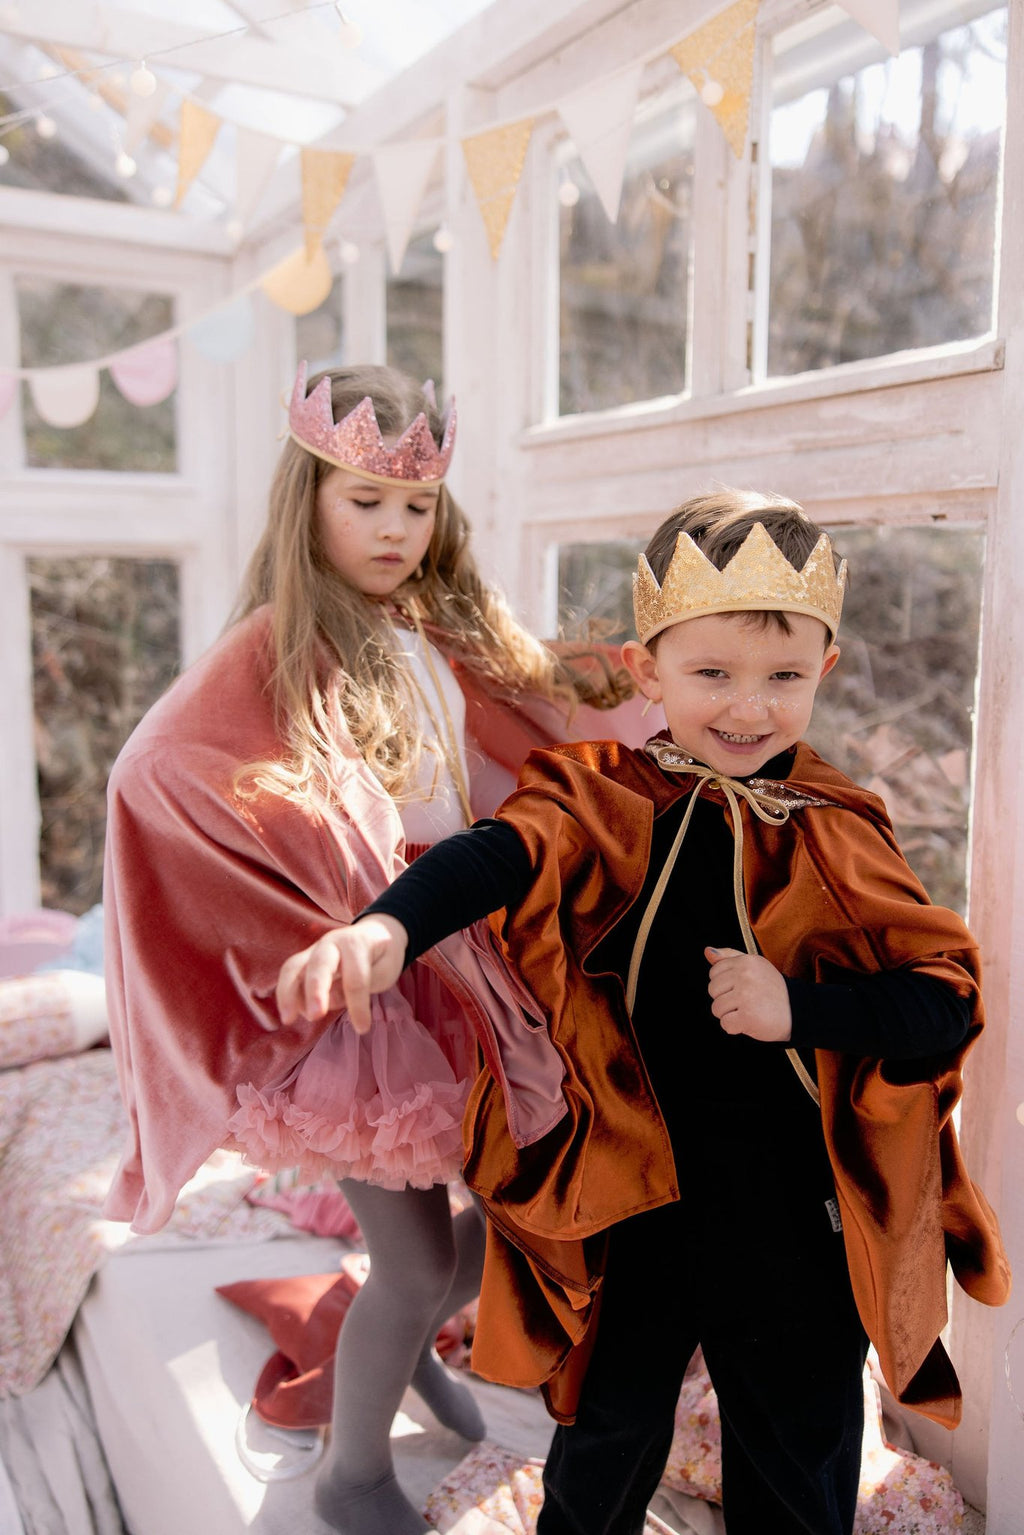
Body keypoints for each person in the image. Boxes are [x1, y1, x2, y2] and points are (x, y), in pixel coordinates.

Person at [274, 490, 1010, 1535]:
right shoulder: (603, 795)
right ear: (643, 668)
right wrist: (388, 928)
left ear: (826, 672)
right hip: (633, 1200)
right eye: (711, 673)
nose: (747, 708)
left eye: (782, 677)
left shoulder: (840, 830)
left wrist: (796, 1006)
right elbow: (499, 851)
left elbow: (938, 1004)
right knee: (602, 1440)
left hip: (794, 1224)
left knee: (798, 1452)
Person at [101, 360, 632, 1535]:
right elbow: (157, 769)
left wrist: (625, 685)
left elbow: (530, 713)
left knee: (488, 1220)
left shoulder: (436, 622)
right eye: (364, 501)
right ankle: (350, 1473)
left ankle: (389, 1346)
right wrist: (328, 846)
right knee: (409, 1260)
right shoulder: (280, 640)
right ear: (310, 503)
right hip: (370, 1000)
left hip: (471, 953)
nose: (394, 529)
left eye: (416, 506)